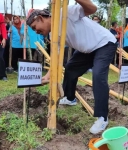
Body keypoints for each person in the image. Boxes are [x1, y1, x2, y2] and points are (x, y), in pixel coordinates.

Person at [27, 0, 117, 134]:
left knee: (98, 75)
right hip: (87, 50)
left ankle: (102, 117)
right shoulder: (52, 35)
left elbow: (92, 9)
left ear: (41, 18)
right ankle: (70, 98)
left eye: (35, 27)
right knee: (70, 68)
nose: (37, 31)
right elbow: (56, 58)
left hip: (104, 43)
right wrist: (47, 76)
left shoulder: (66, 12)